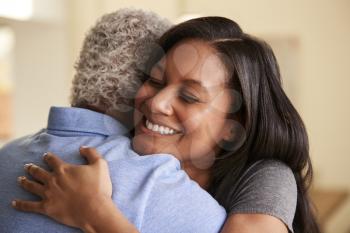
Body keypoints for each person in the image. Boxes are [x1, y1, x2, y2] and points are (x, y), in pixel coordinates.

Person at [13, 16, 321, 233]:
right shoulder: (122, 158)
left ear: (232, 127)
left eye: (189, 96)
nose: (156, 103)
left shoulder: (267, 179)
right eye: (154, 80)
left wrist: (95, 213)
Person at [0, 9, 227, 233]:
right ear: (140, 82)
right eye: (159, 80)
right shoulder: (153, 181)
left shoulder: (7, 155)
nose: (160, 103)